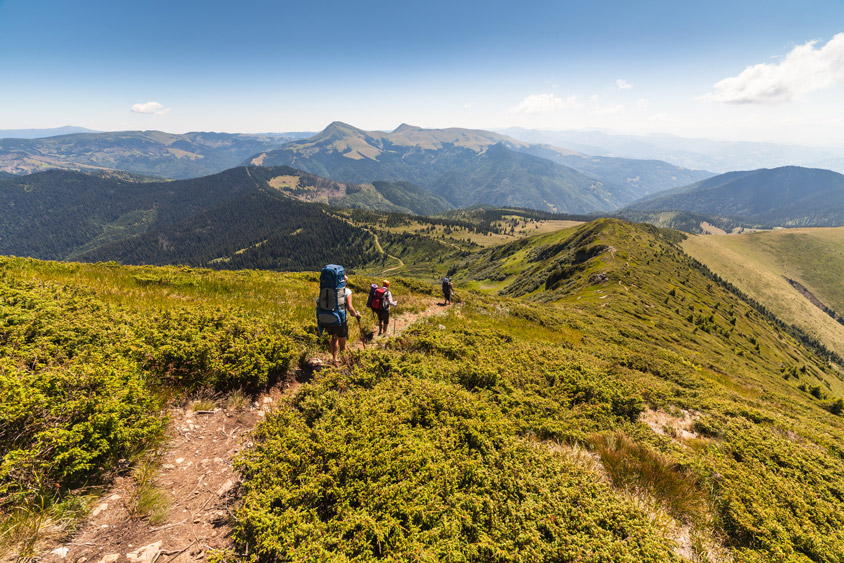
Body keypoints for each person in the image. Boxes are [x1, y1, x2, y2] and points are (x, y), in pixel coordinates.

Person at [324, 274, 361, 364]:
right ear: (345, 282)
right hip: (340, 320)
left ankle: (334, 359)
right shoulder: (346, 291)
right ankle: (344, 362)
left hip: (329, 318)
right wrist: (356, 315)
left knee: (333, 338)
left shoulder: (330, 290)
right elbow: (350, 308)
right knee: (342, 341)